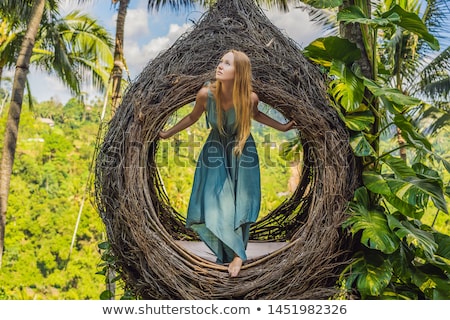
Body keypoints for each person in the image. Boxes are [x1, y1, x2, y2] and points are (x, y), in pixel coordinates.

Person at [159, 49, 296, 277]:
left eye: (228, 63)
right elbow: (192, 117)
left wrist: (282, 128)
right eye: (221, 61)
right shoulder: (205, 94)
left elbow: (257, 115)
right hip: (214, 151)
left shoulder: (249, 98)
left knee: (239, 204)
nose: (220, 65)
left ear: (239, 72)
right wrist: (166, 133)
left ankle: (236, 256)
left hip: (242, 150)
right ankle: (227, 249)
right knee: (214, 200)